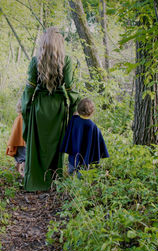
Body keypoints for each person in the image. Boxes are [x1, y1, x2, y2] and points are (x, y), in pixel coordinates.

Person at [21, 27, 80, 191]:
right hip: (58, 110)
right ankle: (54, 181)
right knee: (56, 146)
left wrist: (26, 110)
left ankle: (36, 182)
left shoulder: (35, 61)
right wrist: (75, 110)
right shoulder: (66, 61)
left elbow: (28, 90)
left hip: (39, 109)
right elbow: (70, 89)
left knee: (38, 146)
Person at [60, 98, 109, 175]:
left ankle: (69, 183)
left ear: (79, 110)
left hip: (73, 156)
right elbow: (98, 141)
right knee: (82, 174)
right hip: (85, 158)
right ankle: (80, 184)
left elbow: (75, 116)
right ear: (92, 112)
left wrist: (76, 114)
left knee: (71, 171)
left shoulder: (74, 120)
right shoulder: (93, 126)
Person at [6, 100, 26, 177]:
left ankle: (17, 173)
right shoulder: (21, 118)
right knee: (24, 159)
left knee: (20, 158)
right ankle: (23, 175)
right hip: (21, 142)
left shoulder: (19, 118)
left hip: (18, 141)